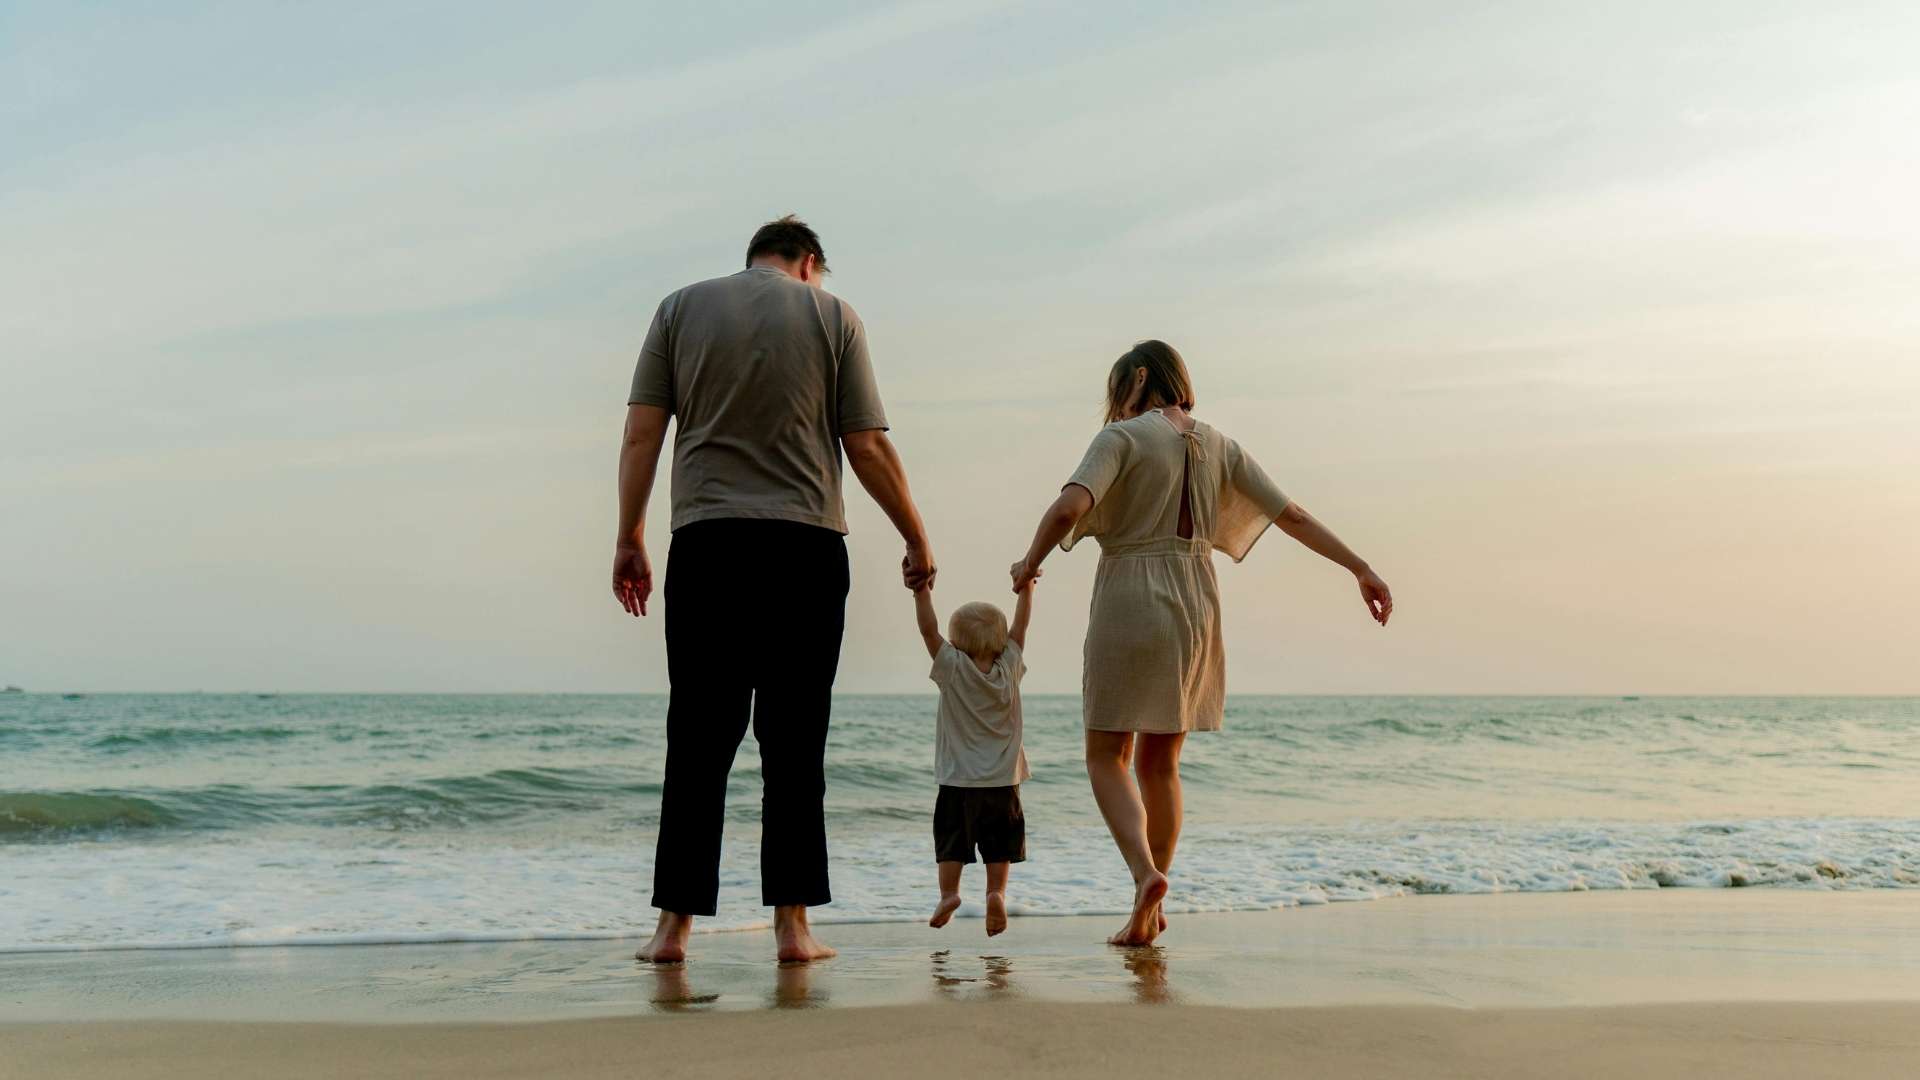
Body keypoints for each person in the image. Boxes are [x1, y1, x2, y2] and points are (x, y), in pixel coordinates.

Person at [612, 215, 935, 964]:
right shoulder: (832, 314)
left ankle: (672, 931)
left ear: (754, 257)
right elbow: (866, 444)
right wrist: (915, 532)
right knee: (794, 744)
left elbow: (640, 435)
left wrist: (629, 534)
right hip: (805, 547)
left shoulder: (679, 307)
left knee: (697, 740)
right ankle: (793, 928)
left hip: (706, 542)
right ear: (809, 263)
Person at [1009, 340, 1392, 947]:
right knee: (1163, 763)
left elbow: (1068, 507)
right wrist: (1360, 567)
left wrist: (1029, 563)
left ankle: (1143, 875)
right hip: (1196, 599)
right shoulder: (1219, 444)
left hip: (1131, 593)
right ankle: (1147, 912)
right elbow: (1290, 514)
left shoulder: (1123, 438)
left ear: (1136, 380)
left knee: (1107, 755)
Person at [912, 577, 1036, 937]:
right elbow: (1022, 626)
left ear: (956, 641)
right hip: (1004, 782)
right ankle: (995, 893)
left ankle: (949, 894)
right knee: (1000, 847)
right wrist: (1027, 589)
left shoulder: (951, 666)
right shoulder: (1010, 664)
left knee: (952, 843)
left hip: (957, 782)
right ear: (1000, 641)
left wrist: (922, 591)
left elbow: (927, 629)